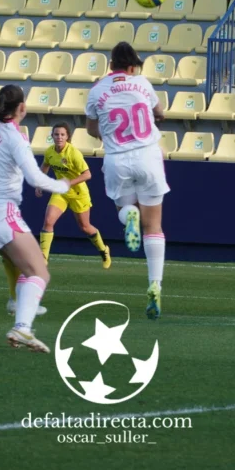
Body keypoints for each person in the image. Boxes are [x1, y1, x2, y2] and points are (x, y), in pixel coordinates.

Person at [0, 84, 78, 353]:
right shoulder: (16, 136)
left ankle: (21, 320)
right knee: (40, 272)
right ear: (21, 108)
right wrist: (63, 185)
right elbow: (35, 177)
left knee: (28, 269)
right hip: (2, 211)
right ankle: (22, 327)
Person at [85, 42, 169, 319]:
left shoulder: (97, 90)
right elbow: (160, 114)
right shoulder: (142, 83)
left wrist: (108, 135)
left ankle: (129, 216)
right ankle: (154, 284)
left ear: (111, 65)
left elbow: (91, 127)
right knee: (154, 225)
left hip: (117, 158)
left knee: (124, 210)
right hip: (147, 155)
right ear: (133, 66)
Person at [35, 122, 111, 268]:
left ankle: (103, 250)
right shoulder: (50, 152)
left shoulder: (73, 153)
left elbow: (88, 174)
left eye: (62, 134)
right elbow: (45, 165)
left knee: (85, 226)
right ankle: (43, 258)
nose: (59, 137)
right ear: (52, 136)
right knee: (48, 221)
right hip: (61, 193)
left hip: (78, 193)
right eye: (56, 134)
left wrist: (69, 182)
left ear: (67, 137)